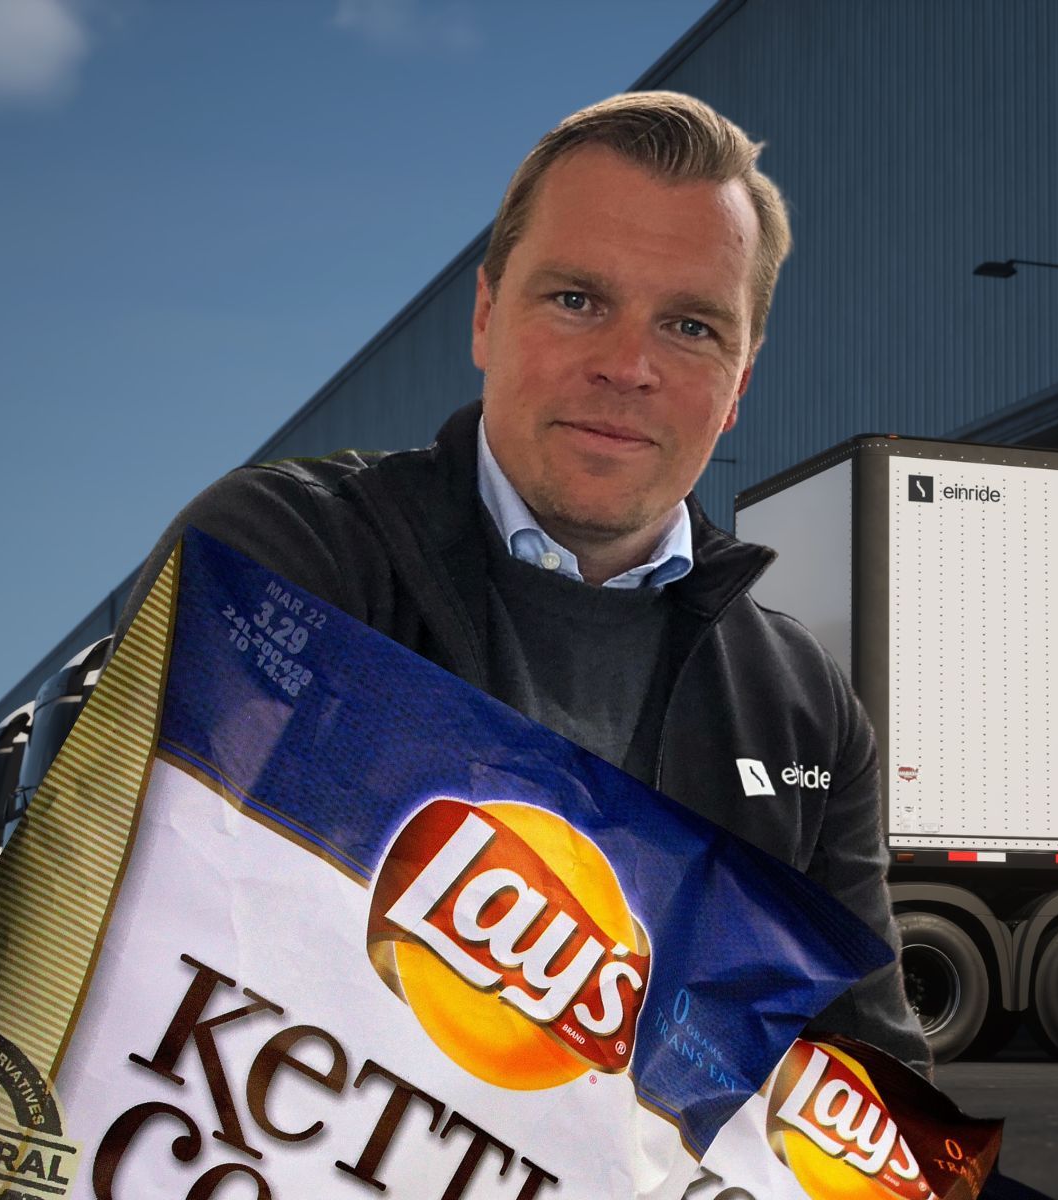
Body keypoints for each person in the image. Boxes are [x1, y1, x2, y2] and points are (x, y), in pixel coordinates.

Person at [118, 91, 932, 1075]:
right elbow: (109, 942)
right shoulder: (281, 559)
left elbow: (872, 1084)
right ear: (486, 317)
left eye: (689, 326)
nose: (627, 365)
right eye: (578, 300)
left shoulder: (804, 706)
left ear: (740, 385)